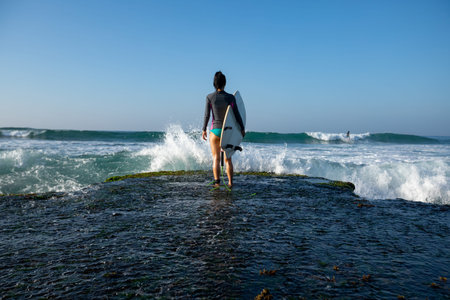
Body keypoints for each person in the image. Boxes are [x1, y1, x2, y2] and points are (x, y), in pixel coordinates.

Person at [202, 71, 245, 188]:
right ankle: (230, 183)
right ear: (224, 83)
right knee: (228, 159)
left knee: (216, 158)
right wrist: (242, 128)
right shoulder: (230, 97)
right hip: (228, 131)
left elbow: (207, 115)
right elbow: (236, 114)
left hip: (215, 131)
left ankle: (217, 183)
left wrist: (204, 130)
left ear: (214, 84)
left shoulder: (209, 97)